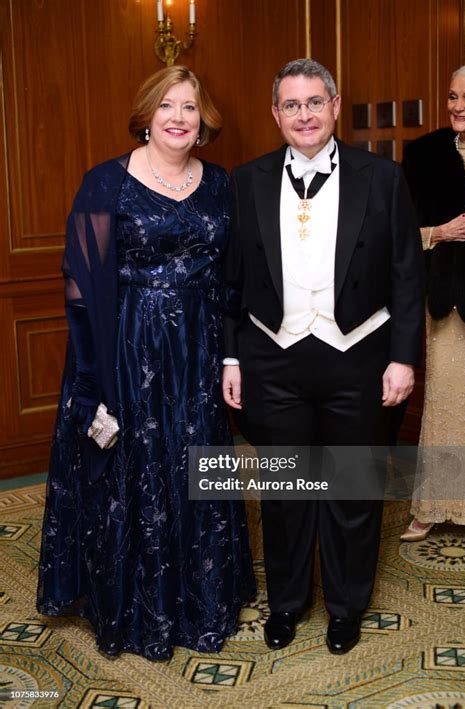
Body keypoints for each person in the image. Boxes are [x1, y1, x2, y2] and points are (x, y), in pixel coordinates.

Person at [37, 66, 255, 661]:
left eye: (189, 107)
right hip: (128, 350)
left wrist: (232, 352)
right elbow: (81, 284)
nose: (179, 117)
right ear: (147, 115)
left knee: (196, 467)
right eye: (167, 106)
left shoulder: (220, 184)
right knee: (135, 471)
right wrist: (92, 377)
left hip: (199, 350)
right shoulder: (105, 183)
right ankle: (138, 610)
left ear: (202, 118)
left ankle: (201, 601)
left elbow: (233, 275)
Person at [223, 58, 424, 655]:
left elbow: (407, 276)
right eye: (292, 105)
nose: (304, 114)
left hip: (358, 355)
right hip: (272, 357)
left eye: (315, 102)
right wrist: (231, 359)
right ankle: (286, 604)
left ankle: (345, 606)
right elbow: (228, 282)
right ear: (276, 116)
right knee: (283, 492)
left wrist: (403, 357)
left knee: (352, 490)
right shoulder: (246, 179)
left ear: (335, 107)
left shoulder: (383, 177)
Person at [400, 64, 465, 542]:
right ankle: (434, 504)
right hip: (449, 299)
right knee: (448, 400)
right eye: (452, 96)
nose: (458, 107)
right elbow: (398, 234)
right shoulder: (424, 154)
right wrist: (441, 232)